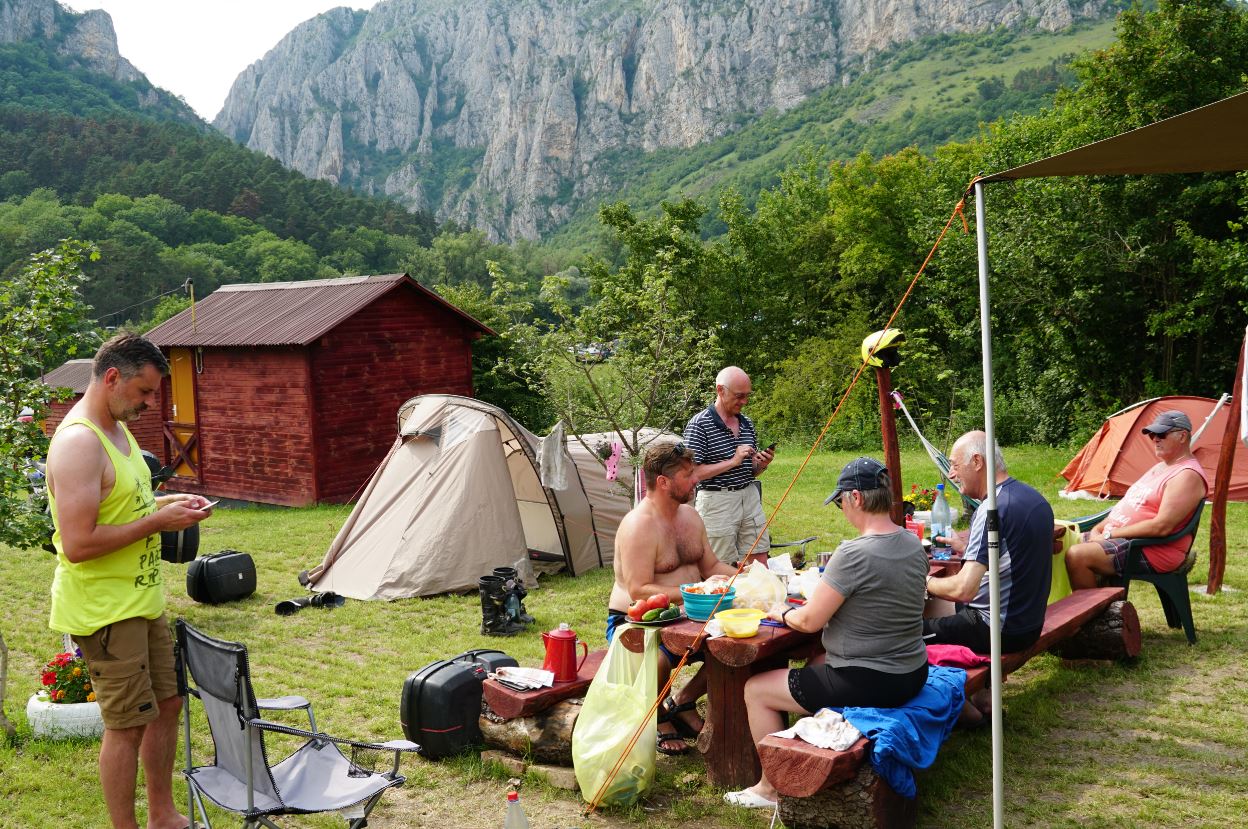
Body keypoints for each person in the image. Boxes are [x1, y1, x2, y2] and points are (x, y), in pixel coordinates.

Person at [45, 333, 212, 829]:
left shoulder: (118, 430)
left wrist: (167, 505)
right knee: (126, 725)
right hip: (105, 611)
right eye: (143, 392)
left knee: (168, 704)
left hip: (140, 601)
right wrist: (157, 523)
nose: (148, 403)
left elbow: (122, 504)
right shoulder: (79, 442)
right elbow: (78, 542)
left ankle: (163, 815)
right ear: (113, 378)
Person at [726, 457, 928, 809]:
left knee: (756, 689)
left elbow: (809, 622)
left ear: (856, 498)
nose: (842, 510)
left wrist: (781, 611)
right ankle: (801, 753)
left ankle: (769, 788)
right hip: (912, 672)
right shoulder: (911, 542)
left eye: (840, 502)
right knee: (816, 661)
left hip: (872, 680)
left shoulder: (853, 553)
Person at [606, 440, 737, 755]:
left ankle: (683, 701)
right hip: (638, 623)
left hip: (689, 615)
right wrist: (694, 590)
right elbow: (639, 589)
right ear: (663, 482)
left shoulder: (690, 516)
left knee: (735, 648)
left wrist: (746, 575)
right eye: (687, 475)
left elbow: (711, 567)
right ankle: (659, 716)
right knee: (658, 661)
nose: (695, 480)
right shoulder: (639, 525)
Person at [923, 432, 1053, 726]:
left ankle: (962, 711)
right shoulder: (1032, 497)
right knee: (934, 610)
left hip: (998, 629)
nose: (951, 473)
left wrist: (923, 583)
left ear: (977, 462)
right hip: (1029, 621)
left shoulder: (992, 508)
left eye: (955, 465)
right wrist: (966, 547)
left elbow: (963, 589)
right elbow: (1013, 557)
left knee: (907, 632)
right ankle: (982, 696)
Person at [1066, 410, 1208, 590]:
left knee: (1077, 555)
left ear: (1182, 436)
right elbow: (1125, 507)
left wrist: (1109, 535)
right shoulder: (1160, 467)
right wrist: (1097, 529)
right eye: (1153, 435)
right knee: (1056, 545)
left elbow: (1162, 526)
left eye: (1162, 434)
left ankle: (1095, 608)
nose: (1155, 439)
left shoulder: (1187, 476)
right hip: (1122, 538)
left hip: (1150, 548)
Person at [683, 366, 775, 564]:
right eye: (739, 396)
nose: (744, 401)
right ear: (720, 390)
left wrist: (761, 464)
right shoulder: (699, 424)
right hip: (717, 501)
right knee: (720, 564)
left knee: (759, 557)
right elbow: (691, 473)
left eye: (747, 396)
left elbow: (750, 471)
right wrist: (733, 461)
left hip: (749, 496)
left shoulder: (747, 423)